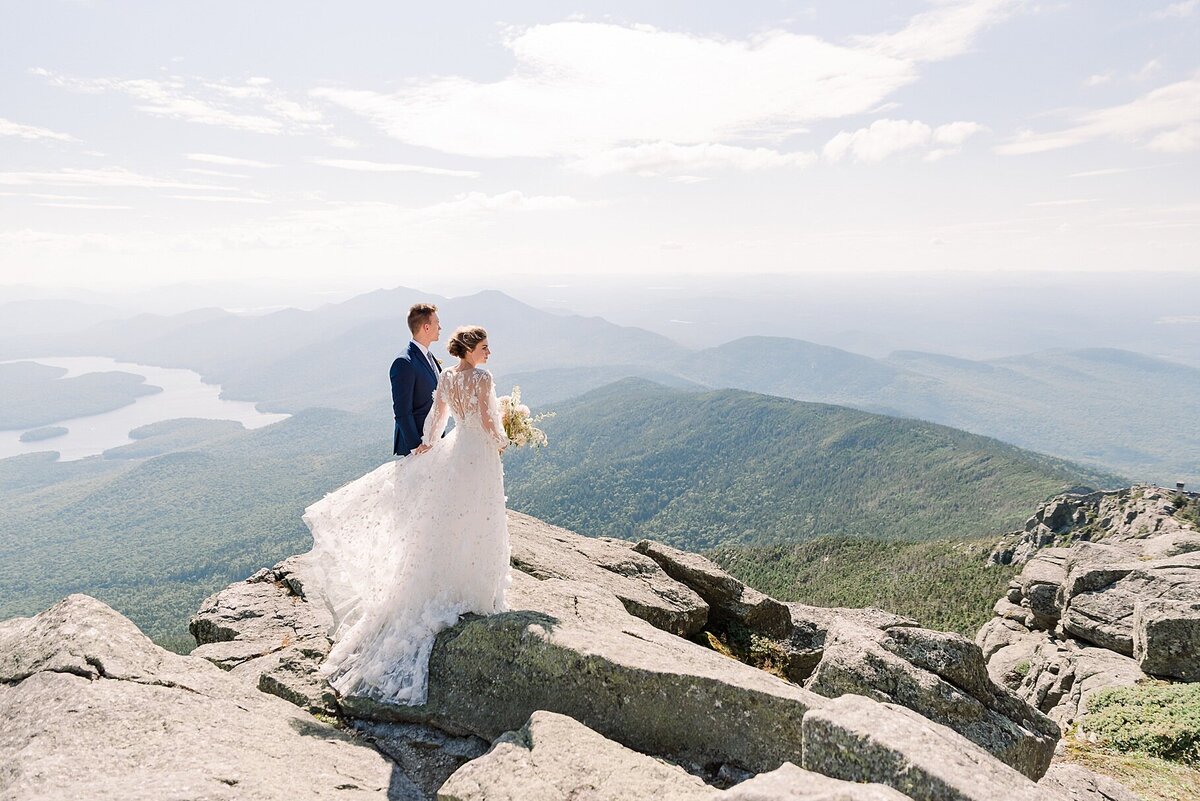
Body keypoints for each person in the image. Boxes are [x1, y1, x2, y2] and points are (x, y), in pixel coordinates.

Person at [304, 325, 511, 705]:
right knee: (480, 516)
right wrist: (503, 439)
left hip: (456, 449)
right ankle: (477, 589)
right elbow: (486, 418)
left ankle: (451, 579)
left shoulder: (447, 377)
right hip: (478, 454)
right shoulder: (482, 378)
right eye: (484, 346)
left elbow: (437, 417)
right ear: (470, 349)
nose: (489, 352)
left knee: (455, 516)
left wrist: (428, 444)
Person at [391, 303, 442, 457]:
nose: (440, 327)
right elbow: (402, 410)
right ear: (426, 327)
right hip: (418, 447)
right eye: (437, 323)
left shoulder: (428, 356)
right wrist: (416, 446)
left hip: (433, 441)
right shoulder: (404, 362)